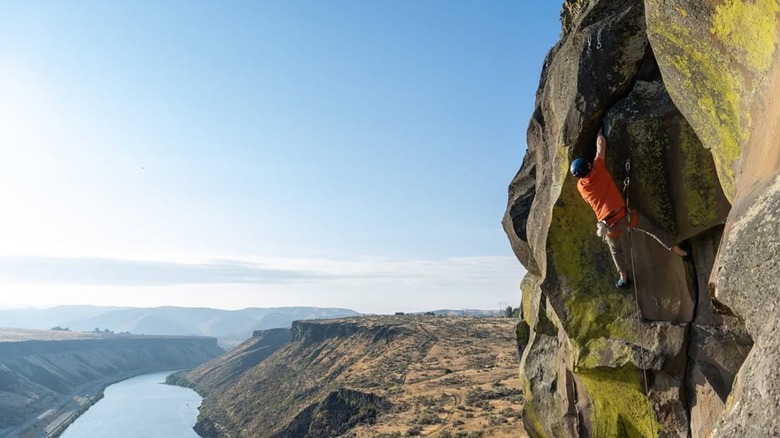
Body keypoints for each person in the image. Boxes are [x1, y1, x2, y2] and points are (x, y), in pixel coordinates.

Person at [570, 128, 688, 288]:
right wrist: (598, 133)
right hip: (623, 214)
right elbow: (601, 145)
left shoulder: (581, 187)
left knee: (616, 252)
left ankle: (624, 277)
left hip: (608, 225)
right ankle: (679, 251)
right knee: (651, 230)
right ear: (588, 165)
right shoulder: (599, 168)